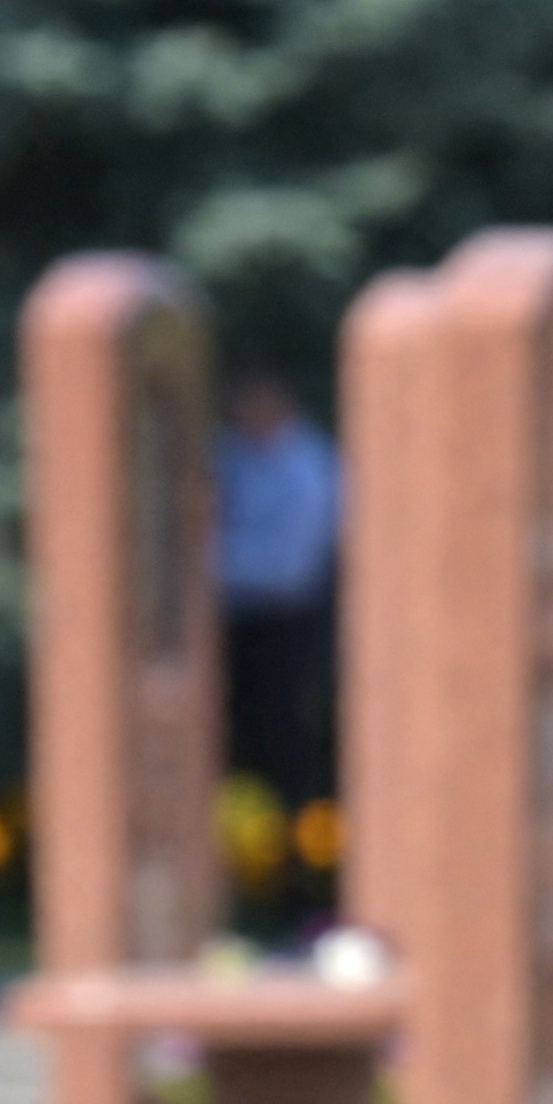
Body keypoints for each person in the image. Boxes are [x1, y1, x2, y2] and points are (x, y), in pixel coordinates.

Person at [211, 361, 343, 890]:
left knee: (286, 761)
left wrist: (204, 565)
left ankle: (296, 889)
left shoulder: (310, 467)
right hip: (231, 627)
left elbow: (286, 567)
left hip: (287, 630)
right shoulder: (228, 458)